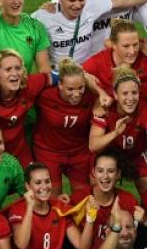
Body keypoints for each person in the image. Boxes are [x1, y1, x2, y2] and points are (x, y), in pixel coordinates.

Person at [34, 0, 147, 66]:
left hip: (85, 73)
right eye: (72, 1)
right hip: (57, 75)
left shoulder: (92, 7)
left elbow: (124, 0)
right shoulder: (43, 17)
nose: (77, 5)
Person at [89, 67, 147, 207]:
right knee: (97, 193)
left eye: (134, 93)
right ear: (115, 95)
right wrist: (115, 133)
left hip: (137, 153)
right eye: (125, 93)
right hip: (110, 154)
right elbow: (93, 145)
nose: (130, 98)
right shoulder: (105, 108)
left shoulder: (145, 109)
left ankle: (146, 219)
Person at [33, 57, 103, 193]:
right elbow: (26, 90)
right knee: (52, 198)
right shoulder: (45, 95)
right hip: (49, 152)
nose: (76, 94)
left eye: (80, 88)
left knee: (83, 196)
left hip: (79, 152)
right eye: (70, 89)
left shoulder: (90, 95)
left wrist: (99, 101)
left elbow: (110, 94)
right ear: (59, 84)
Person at [66, 151, 142, 249]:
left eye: (110, 171)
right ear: (93, 172)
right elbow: (80, 246)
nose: (105, 176)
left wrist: (145, 221)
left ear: (118, 174)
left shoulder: (128, 200)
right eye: (100, 171)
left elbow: (136, 239)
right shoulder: (78, 198)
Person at [82, 18, 147, 93]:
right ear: (113, 45)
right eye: (126, 46)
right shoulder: (99, 62)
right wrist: (100, 92)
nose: (132, 52)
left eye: (135, 45)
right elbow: (78, 73)